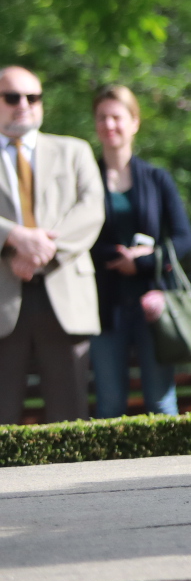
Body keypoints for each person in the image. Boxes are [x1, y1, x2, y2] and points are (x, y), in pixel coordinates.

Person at [0, 66, 105, 423]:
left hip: (64, 295)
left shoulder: (73, 150)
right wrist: (13, 237)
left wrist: (39, 253)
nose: (24, 105)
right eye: (12, 97)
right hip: (3, 297)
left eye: (33, 97)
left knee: (69, 415)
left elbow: (91, 210)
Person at [89, 86, 191, 417]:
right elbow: (76, 236)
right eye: (102, 117)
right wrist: (115, 257)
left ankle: (170, 470)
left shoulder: (156, 178)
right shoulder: (84, 178)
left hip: (153, 304)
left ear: (134, 122)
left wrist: (145, 261)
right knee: (109, 403)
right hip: (104, 306)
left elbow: (183, 238)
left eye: (117, 117)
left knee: (161, 401)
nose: (110, 125)